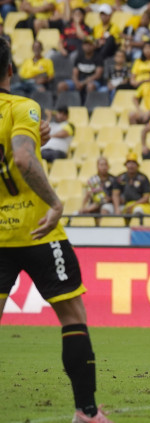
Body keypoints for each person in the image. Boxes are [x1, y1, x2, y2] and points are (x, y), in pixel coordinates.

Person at [0, 38, 112, 422]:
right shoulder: (22, 107)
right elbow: (21, 158)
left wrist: (34, 139)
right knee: (72, 315)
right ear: (10, 70)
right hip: (39, 229)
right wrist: (56, 202)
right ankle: (87, 412)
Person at [113, 152, 150, 218]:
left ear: (137, 165)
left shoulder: (143, 178)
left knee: (138, 210)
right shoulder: (120, 178)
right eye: (129, 163)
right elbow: (115, 194)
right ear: (126, 165)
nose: (131, 165)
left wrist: (134, 205)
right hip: (125, 205)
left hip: (140, 204)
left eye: (133, 163)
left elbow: (146, 198)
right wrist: (117, 208)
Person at [80, 157, 117, 221]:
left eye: (105, 164)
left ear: (108, 166)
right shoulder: (93, 179)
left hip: (108, 204)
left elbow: (114, 197)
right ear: (97, 166)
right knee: (78, 213)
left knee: (104, 209)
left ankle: (101, 225)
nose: (104, 167)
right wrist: (83, 207)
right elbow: (87, 195)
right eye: (101, 165)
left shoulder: (113, 179)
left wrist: (108, 199)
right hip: (94, 204)